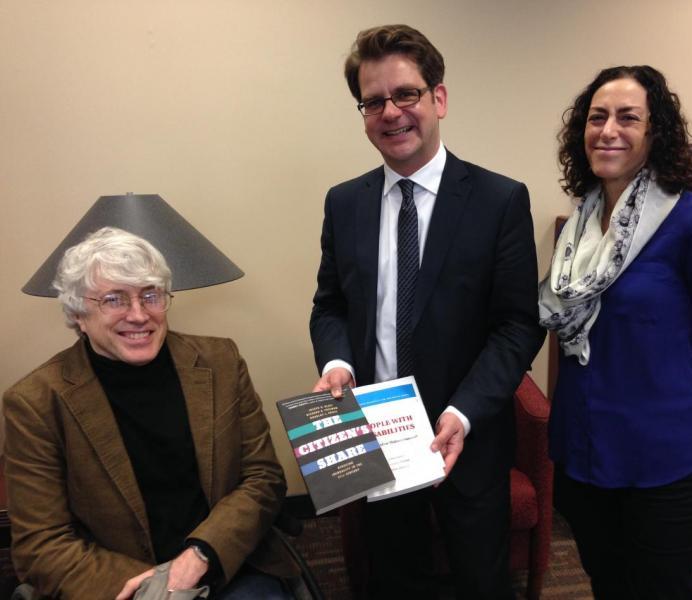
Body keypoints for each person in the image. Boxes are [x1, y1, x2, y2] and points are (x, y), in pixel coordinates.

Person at [309, 24, 545, 600]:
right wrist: (338, 362)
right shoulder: (345, 203)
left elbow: (518, 325)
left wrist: (464, 413)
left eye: (405, 94)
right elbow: (330, 304)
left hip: (465, 430)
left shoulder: (499, 200)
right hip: (379, 429)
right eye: (373, 101)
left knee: (481, 578)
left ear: (438, 98)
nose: (390, 112)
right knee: (393, 574)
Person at [539, 65, 692, 599]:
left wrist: (655, 385)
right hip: (583, 454)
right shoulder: (582, 226)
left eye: (628, 117)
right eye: (597, 117)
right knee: (608, 586)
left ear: (655, 133)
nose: (608, 130)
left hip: (661, 463)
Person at [3, 227, 299, 599]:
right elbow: (40, 545)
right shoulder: (34, 403)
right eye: (114, 299)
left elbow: (263, 478)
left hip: (226, 564)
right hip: (117, 583)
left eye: (150, 295)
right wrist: (160, 588)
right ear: (78, 313)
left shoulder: (220, 362)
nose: (139, 315)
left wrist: (200, 555)